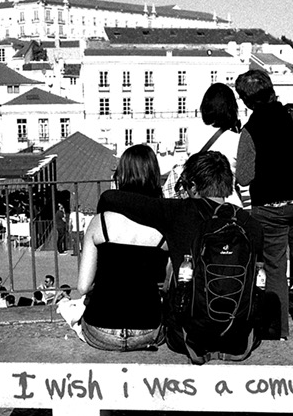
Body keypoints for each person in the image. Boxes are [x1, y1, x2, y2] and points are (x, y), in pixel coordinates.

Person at [97, 149, 264, 361]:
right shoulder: (251, 225)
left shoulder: (177, 212)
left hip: (186, 335)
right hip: (239, 334)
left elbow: (110, 197)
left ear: (193, 186)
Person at [234, 69, 293, 339]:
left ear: (246, 101)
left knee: (275, 267)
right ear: (272, 90)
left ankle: (278, 329)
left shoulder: (250, 130)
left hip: (269, 208)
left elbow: (244, 177)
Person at [78, 144, 169, 351]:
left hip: (101, 328)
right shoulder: (163, 225)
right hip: (148, 330)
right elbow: (168, 284)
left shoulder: (100, 222)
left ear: (121, 176)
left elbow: (83, 287)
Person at [164, 83, 243, 207]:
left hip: (199, 202)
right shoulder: (237, 139)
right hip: (228, 202)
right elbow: (243, 177)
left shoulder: (192, 133)